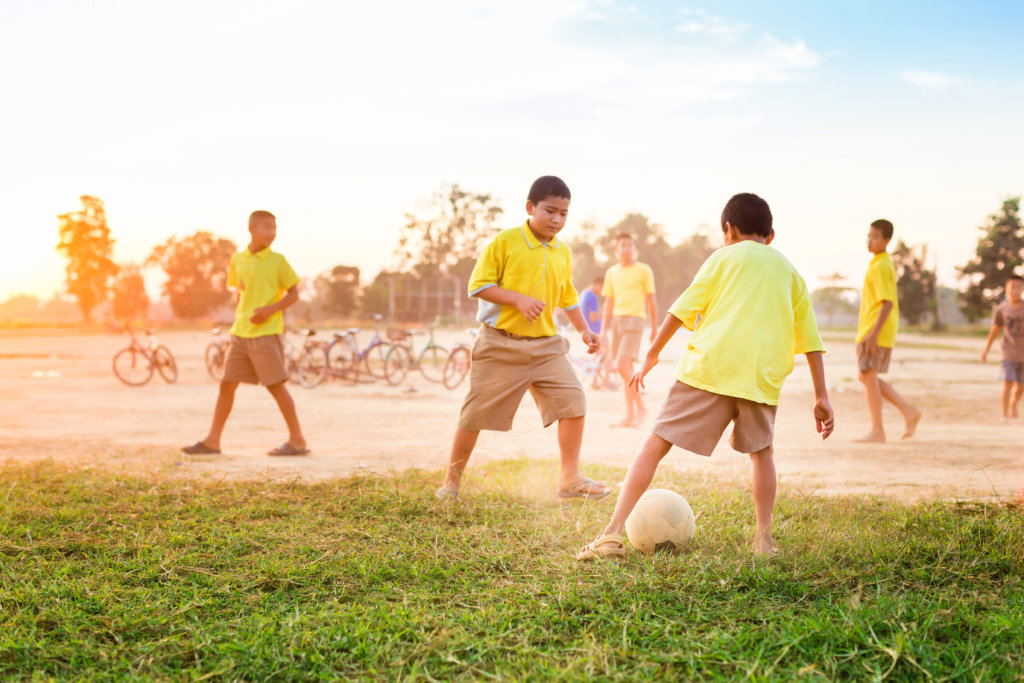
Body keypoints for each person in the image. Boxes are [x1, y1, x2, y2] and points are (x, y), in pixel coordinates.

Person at [576, 193, 834, 559]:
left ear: (728, 230)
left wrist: (651, 355)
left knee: (655, 444)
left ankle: (611, 533)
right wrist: (820, 395)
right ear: (770, 235)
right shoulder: (791, 272)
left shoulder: (723, 257)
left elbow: (681, 311)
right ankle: (763, 540)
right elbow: (811, 340)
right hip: (760, 378)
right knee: (763, 454)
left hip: (710, 367)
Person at [436, 176, 609, 501]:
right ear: (531, 207)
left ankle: (569, 479)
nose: (557, 220)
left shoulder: (563, 252)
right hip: (499, 344)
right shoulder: (505, 242)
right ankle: (451, 483)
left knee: (573, 400)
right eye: (550, 211)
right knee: (474, 414)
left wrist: (584, 329)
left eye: (564, 214)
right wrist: (517, 299)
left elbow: (567, 297)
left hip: (546, 347)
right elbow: (478, 285)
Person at [182, 210, 310, 457]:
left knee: (275, 386)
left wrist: (269, 311)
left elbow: (294, 294)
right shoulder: (237, 260)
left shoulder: (278, 261)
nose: (271, 232)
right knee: (227, 384)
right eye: (266, 227)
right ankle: (212, 441)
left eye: (274, 227)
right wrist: (241, 317)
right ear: (251, 229)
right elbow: (241, 294)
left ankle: (297, 440)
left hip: (266, 333)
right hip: (240, 333)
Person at [854, 219, 921, 443]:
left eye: (875, 237)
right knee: (867, 377)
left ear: (886, 240)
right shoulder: (878, 262)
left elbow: (887, 303)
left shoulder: (882, 265)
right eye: (869, 235)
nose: (870, 240)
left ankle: (877, 430)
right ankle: (908, 412)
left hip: (875, 330)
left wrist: (872, 335)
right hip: (871, 329)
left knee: (868, 377)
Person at [600, 234, 657, 427]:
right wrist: (603, 331)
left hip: (636, 319)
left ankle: (641, 407)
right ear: (616, 251)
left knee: (621, 365)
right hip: (617, 321)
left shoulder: (643, 270)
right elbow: (609, 301)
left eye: (630, 245)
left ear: (635, 249)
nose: (626, 248)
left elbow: (651, 299)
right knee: (626, 369)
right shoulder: (612, 272)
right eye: (622, 245)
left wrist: (655, 327)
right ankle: (630, 415)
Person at [981, 274, 1024, 422]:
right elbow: (995, 330)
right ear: (1007, 289)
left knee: (1020, 387)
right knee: (1007, 382)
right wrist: (986, 349)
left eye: (1018, 287)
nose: (1015, 290)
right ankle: (1004, 414)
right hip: (1008, 352)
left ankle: (1013, 403)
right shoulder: (1002, 309)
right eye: (1013, 287)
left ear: (1022, 289)